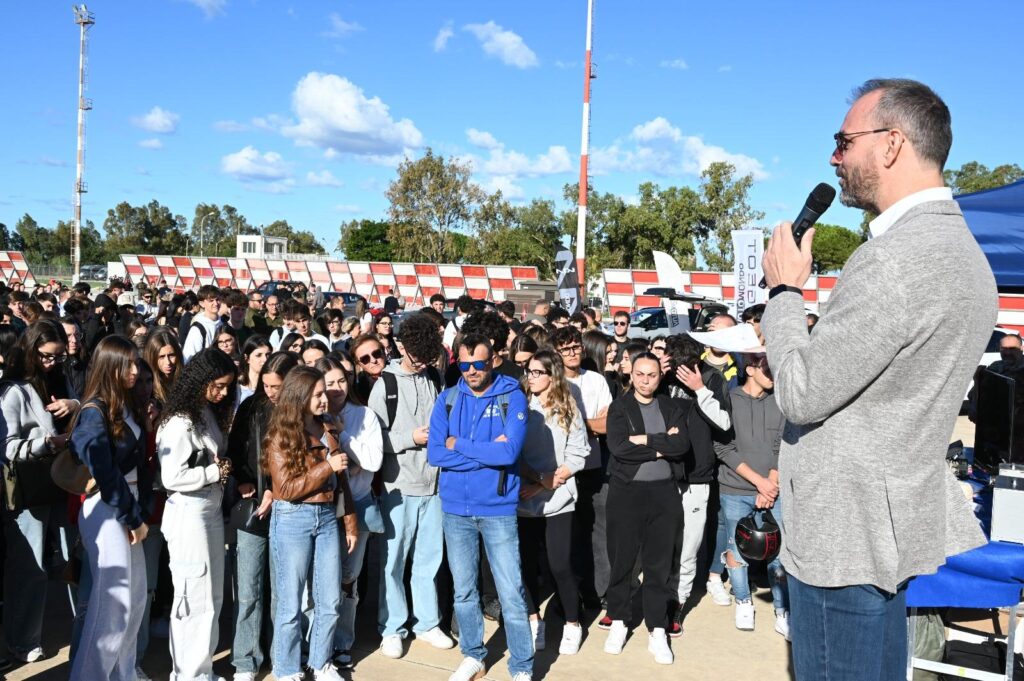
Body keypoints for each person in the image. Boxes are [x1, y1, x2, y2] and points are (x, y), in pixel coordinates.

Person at [760, 78, 998, 680]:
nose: (833, 158)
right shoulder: (963, 252)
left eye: (844, 142)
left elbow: (800, 392)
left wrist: (784, 290)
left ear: (891, 144)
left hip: (844, 537)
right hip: (884, 529)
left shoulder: (894, 258)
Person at [427, 333, 532, 681]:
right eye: (465, 364)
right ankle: (473, 655)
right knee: (464, 591)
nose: (472, 370)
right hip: (455, 509)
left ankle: (522, 666)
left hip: (497, 509)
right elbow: (435, 454)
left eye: (479, 363)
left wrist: (458, 444)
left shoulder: (512, 396)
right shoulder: (447, 399)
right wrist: (487, 452)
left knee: (511, 592)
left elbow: (509, 452)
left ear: (493, 361)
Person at [367, 314, 453, 659]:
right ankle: (391, 627)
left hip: (435, 484)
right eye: (417, 356)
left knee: (429, 558)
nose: (421, 363)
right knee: (393, 561)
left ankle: (427, 622)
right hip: (398, 486)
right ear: (402, 347)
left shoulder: (434, 376)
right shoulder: (385, 384)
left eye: (427, 356)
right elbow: (373, 440)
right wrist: (410, 438)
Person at [69, 336, 152, 681]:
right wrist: (133, 517)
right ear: (110, 366)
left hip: (125, 508)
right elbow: (104, 473)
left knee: (134, 602)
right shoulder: (94, 412)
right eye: (127, 363)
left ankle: (123, 675)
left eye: (136, 362)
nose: (135, 370)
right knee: (111, 609)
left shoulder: (125, 405)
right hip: (107, 511)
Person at [263, 366, 353, 681]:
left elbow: (343, 482)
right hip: (293, 517)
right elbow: (285, 489)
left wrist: (350, 523)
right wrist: (327, 466)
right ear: (300, 397)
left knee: (330, 599)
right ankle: (286, 669)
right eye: (316, 394)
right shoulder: (281, 434)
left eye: (323, 392)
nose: (323, 399)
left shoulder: (328, 426)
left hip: (326, 516)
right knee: (290, 602)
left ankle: (321, 662)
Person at [0, 320, 79, 664]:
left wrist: (74, 405)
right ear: (31, 351)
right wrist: (48, 443)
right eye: (46, 356)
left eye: (58, 356)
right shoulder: (13, 391)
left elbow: (83, 408)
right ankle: (23, 639)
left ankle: (80, 628)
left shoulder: (61, 378)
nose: (52, 362)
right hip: (30, 487)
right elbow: (7, 447)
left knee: (71, 559)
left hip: (65, 481)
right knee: (29, 566)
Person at [156, 348, 237, 681]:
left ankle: (201, 669)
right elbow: (171, 477)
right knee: (193, 596)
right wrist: (213, 472)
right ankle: (188, 673)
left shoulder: (204, 412)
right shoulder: (179, 422)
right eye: (217, 385)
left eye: (227, 387)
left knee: (211, 596)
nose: (223, 393)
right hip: (189, 514)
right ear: (200, 380)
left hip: (210, 509)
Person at [603, 352, 688, 665]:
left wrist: (644, 439)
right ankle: (619, 620)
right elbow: (619, 447)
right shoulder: (620, 407)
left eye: (652, 375)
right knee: (622, 561)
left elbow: (681, 446)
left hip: (664, 493)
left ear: (660, 376)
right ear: (631, 374)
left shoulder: (671, 407)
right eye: (640, 374)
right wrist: (660, 448)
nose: (645, 380)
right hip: (627, 493)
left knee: (659, 564)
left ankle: (657, 628)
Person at [227, 351, 298, 681]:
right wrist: (244, 481)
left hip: (288, 508)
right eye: (266, 385)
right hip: (253, 506)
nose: (270, 392)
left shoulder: (300, 410)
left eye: (277, 386)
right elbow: (235, 449)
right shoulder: (251, 407)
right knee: (248, 589)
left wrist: (274, 489)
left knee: (283, 591)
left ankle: (281, 657)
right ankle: (245, 660)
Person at [517, 349, 589, 655]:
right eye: (528, 371)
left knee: (560, 565)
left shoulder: (568, 407)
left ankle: (572, 623)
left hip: (559, 498)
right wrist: (537, 480)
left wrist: (548, 482)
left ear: (552, 375)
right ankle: (534, 619)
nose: (530, 377)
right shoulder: (520, 405)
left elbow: (578, 453)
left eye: (537, 372)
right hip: (523, 498)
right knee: (526, 566)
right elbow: (511, 451)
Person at [314, 356, 384, 670]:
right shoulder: (310, 417)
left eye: (341, 380)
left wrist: (342, 436)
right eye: (329, 383)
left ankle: (342, 641)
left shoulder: (364, 415)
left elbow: (372, 462)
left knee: (348, 579)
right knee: (320, 580)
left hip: (357, 504)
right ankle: (317, 643)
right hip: (322, 507)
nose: (337, 388)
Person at [715, 353, 789, 635]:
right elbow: (723, 448)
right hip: (736, 489)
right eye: (766, 368)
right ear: (749, 369)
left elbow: (783, 445)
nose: (772, 373)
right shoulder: (730, 400)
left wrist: (771, 484)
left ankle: (782, 610)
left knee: (778, 552)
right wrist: (760, 482)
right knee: (737, 549)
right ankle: (743, 601)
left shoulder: (780, 401)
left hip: (773, 489)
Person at [550, 327, 613, 612]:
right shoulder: (554, 382)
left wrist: (577, 424)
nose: (572, 353)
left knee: (598, 534)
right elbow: (555, 426)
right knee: (568, 538)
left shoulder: (596, 380)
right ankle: (568, 595)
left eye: (575, 347)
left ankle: (598, 591)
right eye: (565, 349)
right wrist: (589, 425)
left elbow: (608, 424)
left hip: (593, 466)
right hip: (562, 468)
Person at [182, 285, 222, 362]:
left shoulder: (222, 323)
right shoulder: (197, 328)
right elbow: (189, 357)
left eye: (217, 299)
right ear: (202, 303)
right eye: (211, 300)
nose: (216, 303)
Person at [143, 327, 182, 408]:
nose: (168, 362)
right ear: (152, 358)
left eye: (171, 355)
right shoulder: (148, 388)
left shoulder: (185, 380)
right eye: (161, 357)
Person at [350, 333, 387, 404]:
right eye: (365, 359)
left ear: (384, 353)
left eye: (376, 353)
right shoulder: (359, 392)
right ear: (359, 364)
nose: (373, 360)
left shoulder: (402, 373)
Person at [238, 334, 272, 403]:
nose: (265, 359)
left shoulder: (272, 386)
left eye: (268, 355)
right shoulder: (237, 387)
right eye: (258, 355)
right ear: (247, 358)